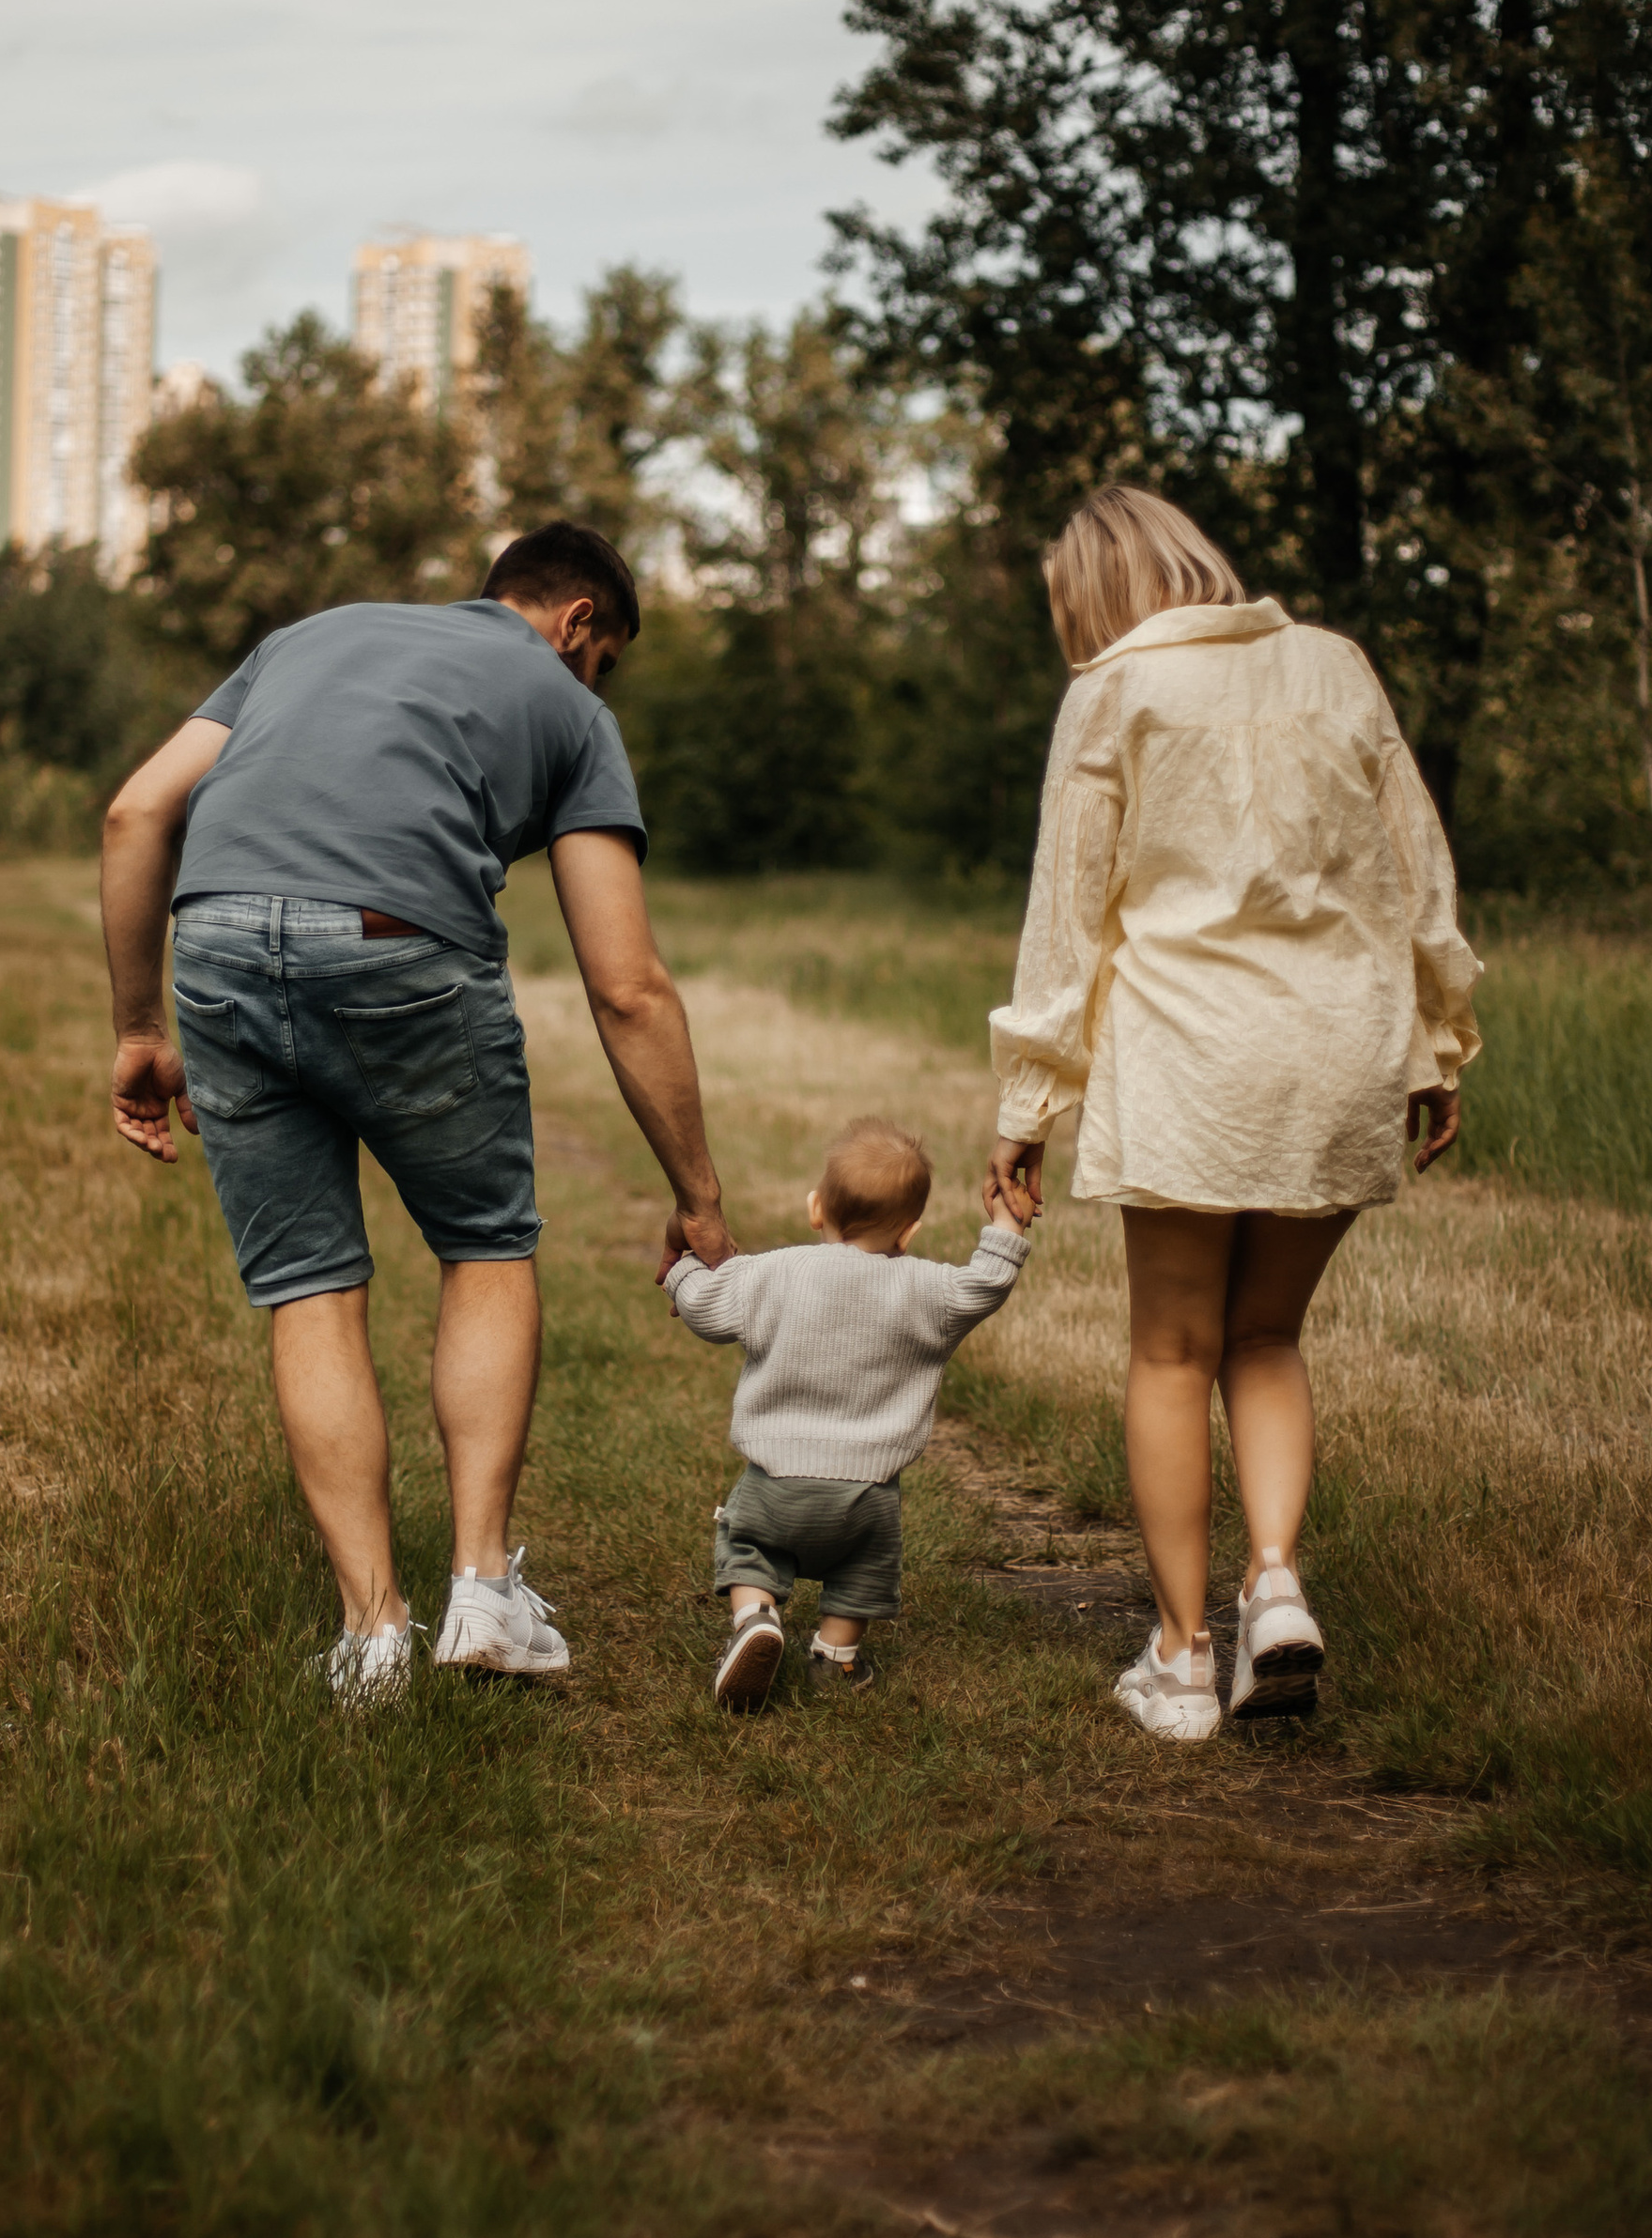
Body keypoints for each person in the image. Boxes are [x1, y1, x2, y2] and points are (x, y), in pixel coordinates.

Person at [99, 520, 739, 1706]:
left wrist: (142, 1032)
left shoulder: (304, 640)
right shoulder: (568, 705)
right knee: (485, 1244)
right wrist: (697, 1193)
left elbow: (137, 815)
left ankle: (372, 1636)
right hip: (401, 950)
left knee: (307, 1284)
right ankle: (482, 1590)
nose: (598, 689)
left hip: (221, 942)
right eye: (605, 664)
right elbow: (626, 983)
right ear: (578, 625)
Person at [984, 488, 1481, 1744]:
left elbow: (1069, 910)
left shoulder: (1111, 693)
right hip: (1337, 1050)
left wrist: (1027, 1100)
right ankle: (1272, 1579)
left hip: (1194, 1055)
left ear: (1090, 599)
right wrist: (1439, 1038)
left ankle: (1182, 1656)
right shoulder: (1335, 665)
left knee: (1171, 1351)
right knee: (1266, 1339)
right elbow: (1413, 867)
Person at [665, 1116, 1033, 1714]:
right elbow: (986, 1283)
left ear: (816, 1208)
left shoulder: (773, 1273)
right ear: (909, 1232)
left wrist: (680, 1270)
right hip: (868, 1495)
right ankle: (835, 1659)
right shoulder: (926, 1289)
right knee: (863, 1572)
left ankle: (756, 1618)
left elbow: (706, 1308)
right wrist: (1005, 1224)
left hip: (775, 1482)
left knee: (749, 1546)